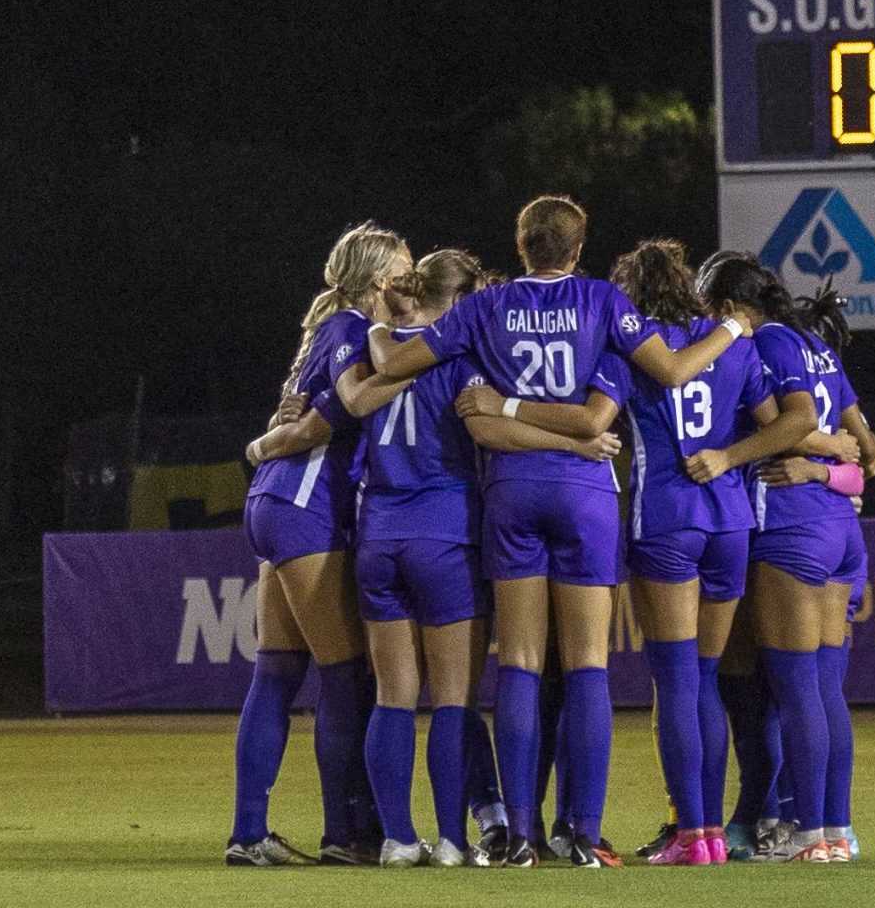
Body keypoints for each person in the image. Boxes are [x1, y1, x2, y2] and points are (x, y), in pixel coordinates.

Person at [363, 194, 750, 867]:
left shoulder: (483, 309)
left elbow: (395, 365)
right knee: (587, 664)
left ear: (522, 246)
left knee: (517, 662)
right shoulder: (603, 303)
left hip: (511, 488)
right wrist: (736, 328)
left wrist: (385, 328)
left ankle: (518, 832)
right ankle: (582, 832)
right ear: (577, 247)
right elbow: (670, 370)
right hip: (587, 494)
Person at [480, 238, 815, 866]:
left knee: (678, 681)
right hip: (731, 523)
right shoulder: (733, 345)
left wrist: (504, 406)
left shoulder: (628, 350)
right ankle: (713, 834)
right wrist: (731, 457)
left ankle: (693, 833)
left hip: (667, 519)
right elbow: (786, 423)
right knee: (707, 680)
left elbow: (590, 417)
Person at [336, 249, 622, 868]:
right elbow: (489, 429)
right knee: (453, 700)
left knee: (392, 696)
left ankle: (395, 838)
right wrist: (578, 442)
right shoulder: (463, 358)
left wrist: (379, 329)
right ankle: (451, 840)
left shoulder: (373, 349)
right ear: (463, 299)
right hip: (444, 533)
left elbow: (355, 401)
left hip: (378, 531)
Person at [223, 222, 397, 867]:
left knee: (277, 671)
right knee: (346, 676)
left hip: (273, 501)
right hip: (305, 507)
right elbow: (337, 410)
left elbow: (292, 416)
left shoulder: (323, 330)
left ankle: (249, 833)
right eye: (402, 269)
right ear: (379, 279)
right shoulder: (354, 329)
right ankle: (343, 833)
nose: (409, 279)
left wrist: (268, 442)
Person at [697, 253, 875, 865]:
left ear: (727, 307)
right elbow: (869, 447)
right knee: (823, 689)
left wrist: (734, 456)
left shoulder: (770, 342)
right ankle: (836, 830)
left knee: (793, 688)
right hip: (839, 529)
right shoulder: (815, 344)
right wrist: (831, 461)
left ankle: (808, 834)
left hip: (791, 526)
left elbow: (795, 419)